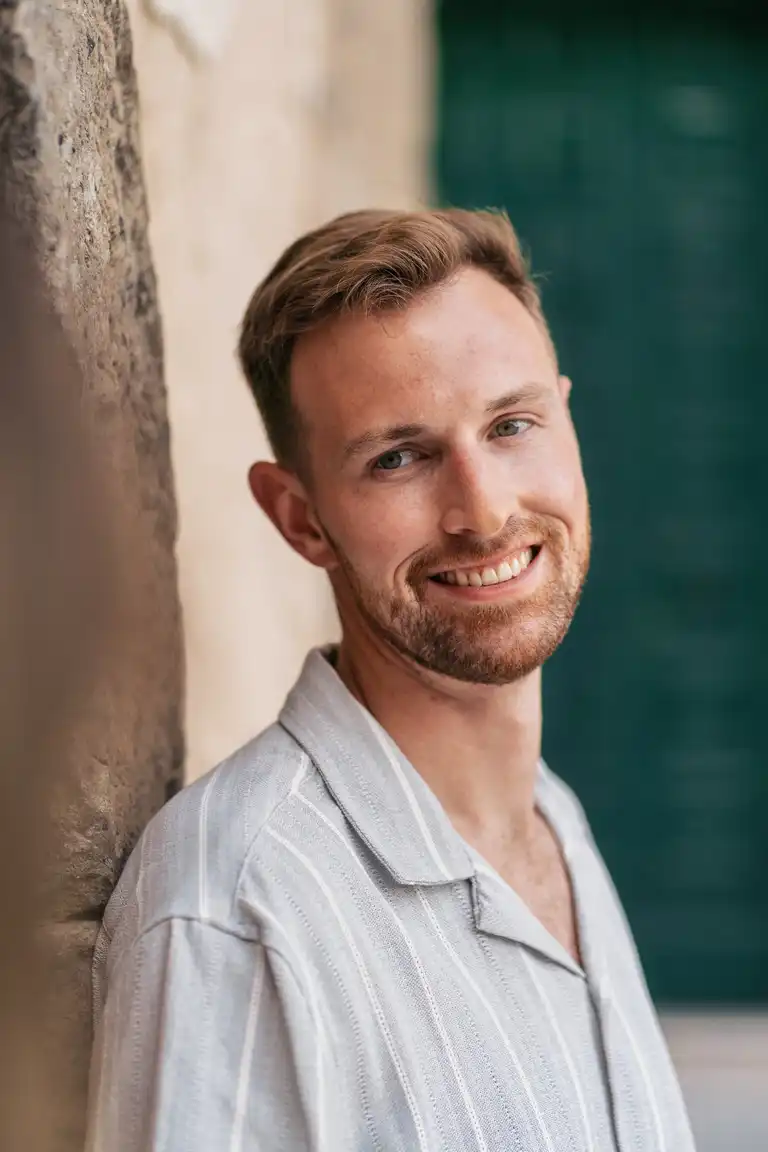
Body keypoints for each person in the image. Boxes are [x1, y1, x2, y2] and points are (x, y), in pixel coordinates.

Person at [86, 209, 695, 1151]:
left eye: (512, 425)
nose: (482, 512)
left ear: (567, 423)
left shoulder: (554, 825)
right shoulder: (236, 908)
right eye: (398, 459)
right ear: (301, 519)